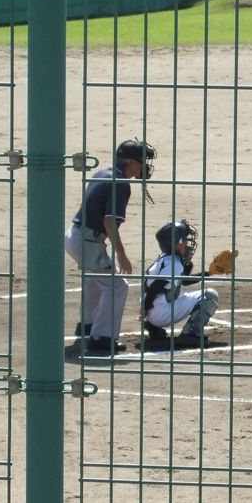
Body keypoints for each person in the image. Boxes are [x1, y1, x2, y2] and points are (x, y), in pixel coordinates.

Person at [64, 138, 157, 354]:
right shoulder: (120, 183)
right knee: (117, 286)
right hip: (87, 241)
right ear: (131, 162)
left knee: (95, 281)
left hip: (74, 236)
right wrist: (121, 255)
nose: (145, 166)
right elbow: (109, 222)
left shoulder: (103, 173)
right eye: (142, 161)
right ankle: (102, 337)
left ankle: (87, 326)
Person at [141, 220, 220, 349]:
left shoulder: (165, 258)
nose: (188, 244)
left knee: (178, 294)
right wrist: (144, 309)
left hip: (154, 309)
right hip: (159, 311)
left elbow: (182, 281)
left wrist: (208, 273)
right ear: (177, 243)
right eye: (185, 240)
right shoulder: (174, 264)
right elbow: (156, 286)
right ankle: (190, 334)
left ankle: (153, 327)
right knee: (209, 296)